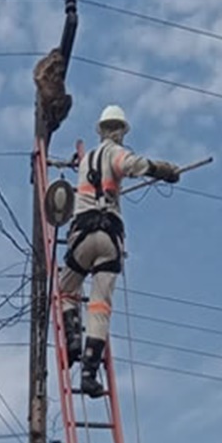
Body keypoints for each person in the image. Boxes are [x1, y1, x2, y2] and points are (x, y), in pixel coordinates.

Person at [58, 104, 181, 398]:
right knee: (100, 306)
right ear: (121, 132)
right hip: (108, 240)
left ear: (100, 130)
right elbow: (132, 165)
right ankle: (89, 372)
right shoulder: (115, 152)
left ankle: (73, 338)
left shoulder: (86, 161)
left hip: (81, 236)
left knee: (66, 289)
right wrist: (163, 170)